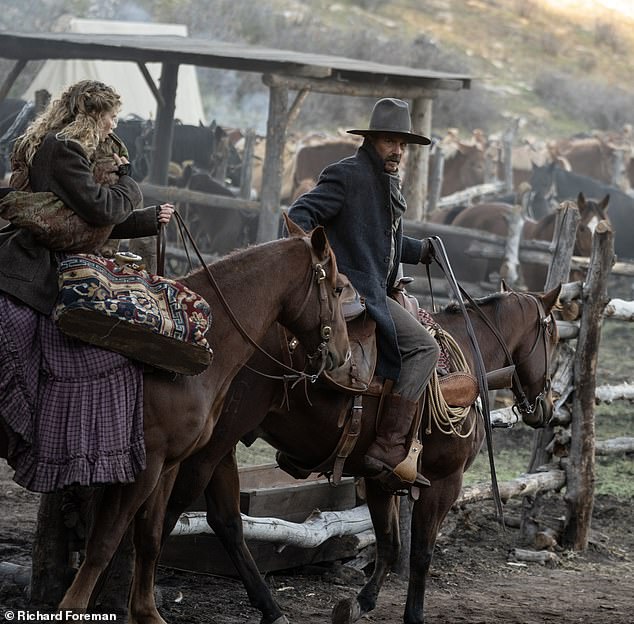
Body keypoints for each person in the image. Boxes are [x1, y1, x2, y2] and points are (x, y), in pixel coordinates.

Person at [0, 80, 174, 493]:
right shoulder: (63, 151)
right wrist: (131, 186)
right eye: (111, 115)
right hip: (30, 265)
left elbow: (88, 217)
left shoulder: (71, 150)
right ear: (94, 116)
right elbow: (101, 207)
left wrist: (149, 219)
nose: (115, 124)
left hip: (56, 260)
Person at [288, 97, 440, 490]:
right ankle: (389, 446)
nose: (398, 151)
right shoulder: (348, 175)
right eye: (391, 141)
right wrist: (324, 270)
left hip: (376, 285)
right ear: (372, 140)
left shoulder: (387, 184)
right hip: (358, 291)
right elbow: (300, 218)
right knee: (426, 349)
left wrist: (420, 249)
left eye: (403, 145)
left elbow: (380, 242)